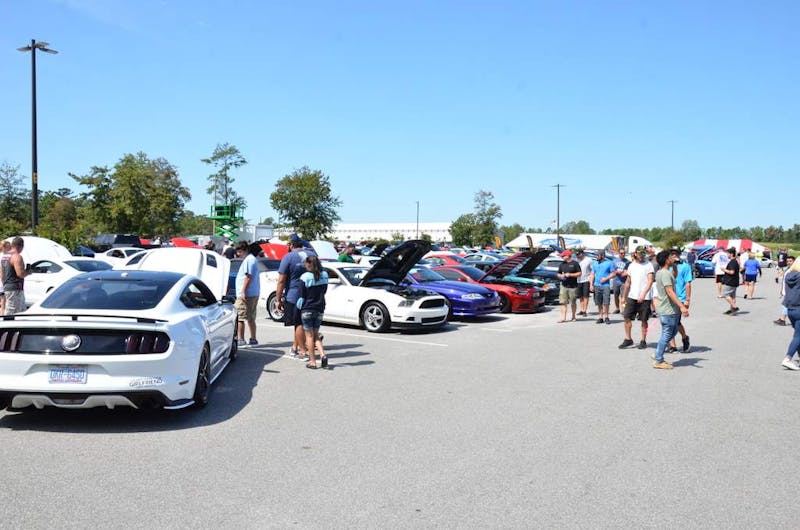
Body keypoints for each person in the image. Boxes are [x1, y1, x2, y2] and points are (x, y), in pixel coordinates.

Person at [276, 234, 317, 358]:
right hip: (312, 294)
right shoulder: (312, 254)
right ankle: (295, 347)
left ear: (291, 245)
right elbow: (311, 247)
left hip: (294, 295)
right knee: (305, 323)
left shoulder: (288, 257)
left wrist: (278, 299)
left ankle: (302, 350)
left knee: (298, 323)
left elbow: (281, 280)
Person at [652, 250, 689, 370]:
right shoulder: (665, 274)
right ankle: (659, 360)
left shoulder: (662, 272)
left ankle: (658, 352)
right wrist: (682, 306)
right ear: (666, 260)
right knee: (667, 334)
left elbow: (674, 277)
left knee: (671, 333)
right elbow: (669, 291)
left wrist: (674, 267)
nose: (673, 258)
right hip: (668, 309)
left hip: (667, 309)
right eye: (670, 257)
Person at [618, 246, 654, 350]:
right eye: (639, 253)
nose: (641, 255)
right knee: (627, 317)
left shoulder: (648, 265)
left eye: (643, 253)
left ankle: (643, 340)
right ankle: (628, 339)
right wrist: (624, 297)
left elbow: (650, 281)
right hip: (632, 296)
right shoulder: (631, 266)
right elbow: (628, 282)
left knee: (644, 320)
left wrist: (643, 294)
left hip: (645, 297)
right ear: (635, 254)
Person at [297, 255, 329, 369]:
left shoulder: (305, 277)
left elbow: (301, 295)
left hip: (307, 309)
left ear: (309, 264)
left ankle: (313, 362)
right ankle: (323, 355)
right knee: (316, 335)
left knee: (309, 337)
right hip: (320, 308)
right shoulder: (324, 275)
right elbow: (324, 291)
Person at [234, 242, 261, 346]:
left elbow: (248, 277)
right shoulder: (252, 259)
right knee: (251, 317)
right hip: (253, 292)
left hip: (246, 294)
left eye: (239, 251)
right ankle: (253, 339)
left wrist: (243, 291)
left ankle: (241, 339)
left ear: (245, 250)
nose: (238, 254)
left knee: (240, 317)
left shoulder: (249, 260)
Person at [667, 247, 692, 353]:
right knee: (669, 322)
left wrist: (687, 299)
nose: (674, 255)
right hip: (668, 297)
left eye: (676, 253)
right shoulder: (667, 266)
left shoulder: (685, 266)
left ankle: (684, 337)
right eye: (672, 253)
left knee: (676, 322)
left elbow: (688, 283)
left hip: (680, 298)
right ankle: (673, 345)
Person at [780, 258, 800, 370]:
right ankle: (788, 358)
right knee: (798, 336)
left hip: (790, 308)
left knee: (798, 335)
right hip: (798, 307)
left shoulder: (789, 275)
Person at [588, 250, 616, 324]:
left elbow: (613, 274)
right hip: (596, 285)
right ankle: (600, 317)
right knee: (599, 302)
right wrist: (591, 284)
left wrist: (606, 278)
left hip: (606, 285)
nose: (596, 256)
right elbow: (592, 274)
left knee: (606, 302)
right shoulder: (595, 263)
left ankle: (606, 316)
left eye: (598, 255)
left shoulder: (609, 263)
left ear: (602, 256)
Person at [3, 237, 29, 315]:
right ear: (21, 246)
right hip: (15, 288)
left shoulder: (6, 256)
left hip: (9, 287)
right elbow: (20, 274)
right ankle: (5, 326)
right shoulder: (17, 257)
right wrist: (28, 272)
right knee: (11, 313)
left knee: (21, 312)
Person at [556, 250, 581, 322]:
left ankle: (573, 316)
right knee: (563, 302)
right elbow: (558, 273)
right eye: (562, 256)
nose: (562, 257)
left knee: (573, 302)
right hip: (564, 286)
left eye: (563, 256)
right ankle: (563, 318)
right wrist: (560, 276)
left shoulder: (575, 264)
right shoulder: (562, 264)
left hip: (573, 286)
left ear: (568, 256)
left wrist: (570, 275)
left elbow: (579, 273)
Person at [775, 255, 795, 326]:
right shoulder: (788, 268)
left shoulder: (794, 270)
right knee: (786, 305)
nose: (789, 262)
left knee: (786, 305)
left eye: (790, 261)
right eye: (787, 261)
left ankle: (782, 319)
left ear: (794, 262)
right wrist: (782, 290)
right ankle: (782, 319)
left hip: (790, 291)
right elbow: (784, 281)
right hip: (786, 290)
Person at [721, 247, 740, 315]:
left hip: (730, 281)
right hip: (735, 281)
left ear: (731, 254)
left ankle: (734, 307)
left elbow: (732, 272)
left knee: (725, 295)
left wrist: (724, 270)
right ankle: (731, 310)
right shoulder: (735, 261)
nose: (727, 255)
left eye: (727, 254)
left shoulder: (732, 262)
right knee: (732, 297)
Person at [611, 248, 630, 314]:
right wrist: (617, 271)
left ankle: (623, 309)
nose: (623, 254)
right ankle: (617, 308)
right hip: (616, 281)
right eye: (621, 253)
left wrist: (624, 272)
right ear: (619, 254)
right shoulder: (614, 261)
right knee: (616, 296)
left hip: (624, 282)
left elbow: (628, 271)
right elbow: (612, 270)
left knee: (623, 296)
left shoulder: (627, 262)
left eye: (624, 253)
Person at [575, 249, 592, 316]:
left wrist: (591, 280)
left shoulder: (588, 260)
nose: (578, 256)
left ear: (582, 253)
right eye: (577, 255)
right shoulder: (577, 260)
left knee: (586, 296)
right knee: (580, 296)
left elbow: (592, 270)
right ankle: (582, 309)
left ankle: (585, 310)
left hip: (586, 280)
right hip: (578, 280)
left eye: (579, 254)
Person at [0, 241, 9, 314]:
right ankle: (2, 315)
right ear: (3, 247)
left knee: (4, 301)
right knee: (3, 301)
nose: (9, 248)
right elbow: (1, 270)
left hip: (4, 281)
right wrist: (3, 281)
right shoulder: (2, 257)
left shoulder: (6, 256)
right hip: (3, 281)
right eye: (8, 247)